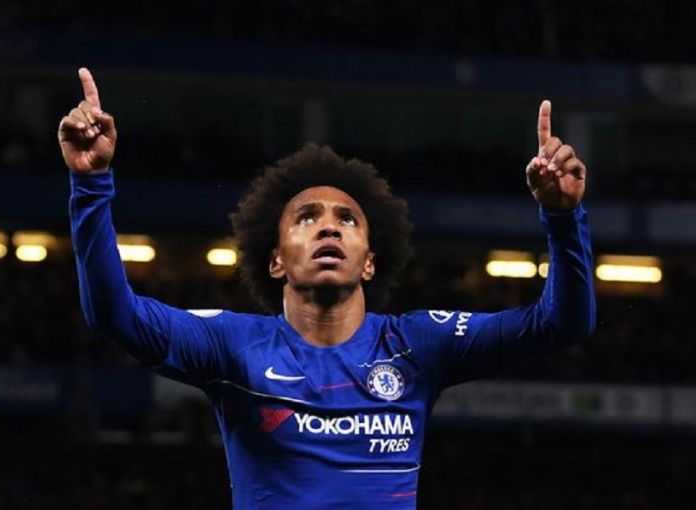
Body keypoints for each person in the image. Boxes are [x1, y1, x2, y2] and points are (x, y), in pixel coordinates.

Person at [59, 67, 596, 510]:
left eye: (347, 220)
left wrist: (563, 218)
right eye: (306, 218)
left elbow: (561, 324)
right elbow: (115, 314)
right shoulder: (232, 348)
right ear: (275, 260)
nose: (329, 228)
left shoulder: (417, 346)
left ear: (370, 263)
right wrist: (91, 184)